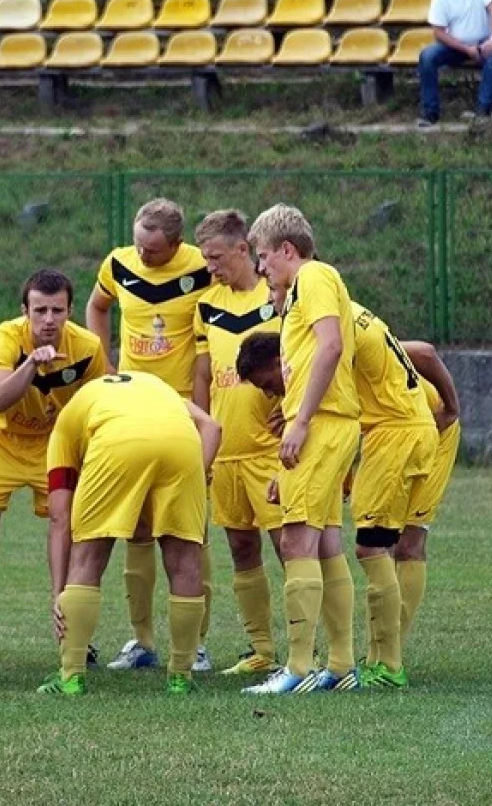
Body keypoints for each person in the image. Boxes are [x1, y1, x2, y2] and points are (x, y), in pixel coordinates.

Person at [237, 204, 361, 696]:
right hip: (325, 424)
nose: (261, 268)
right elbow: (314, 355)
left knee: (297, 541)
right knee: (326, 541)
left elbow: (329, 347)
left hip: (324, 425)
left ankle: (297, 667)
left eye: (264, 257)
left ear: (288, 250)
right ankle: (341, 664)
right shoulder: (300, 293)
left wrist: (302, 420)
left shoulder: (314, 276)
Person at [85, 198, 213, 672]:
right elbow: (96, 307)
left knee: (189, 531)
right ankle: (141, 641)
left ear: (178, 245)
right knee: (135, 526)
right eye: (138, 244)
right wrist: (105, 364)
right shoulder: (117, 263)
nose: (142, 256)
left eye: (153, 251)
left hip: (183, 409)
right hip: (133, 405)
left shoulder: (202, 268)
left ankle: (195, 645)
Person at [37, 371, 221, 696]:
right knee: (185, 562)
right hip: (182, 441)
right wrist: (193, 473)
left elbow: (59, 518)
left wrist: (58, 595)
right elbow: (212, 427)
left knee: (89, 556)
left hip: (117, 442)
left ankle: (70, 676)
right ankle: (181, 676)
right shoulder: (155, 387)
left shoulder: (65, 424)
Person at [0, 269, 106, 670]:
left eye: (57, 310)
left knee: (69, 529)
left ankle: (71, 631)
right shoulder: (7, 337)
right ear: (24, 311)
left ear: (70, 310)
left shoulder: (88, 346)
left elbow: (103, 401)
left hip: (55, 442)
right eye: (39, 310)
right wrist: (32, 364)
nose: (48, 319)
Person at [190, 210, 285, 677]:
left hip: (271, 447)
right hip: (227, 451)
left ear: (243, 250)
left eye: (216, 257)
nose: (210, 267)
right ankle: (262, 649)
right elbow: (204, 374)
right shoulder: (207, 305)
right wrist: (203, 435)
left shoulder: (279, 297)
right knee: (242, 549)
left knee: (293, 546)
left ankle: (314, 647)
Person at [347, 304, 437, 690]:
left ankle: (388, 663)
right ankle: (380, 658)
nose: (264, 273)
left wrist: (451, 405)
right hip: (413, 429)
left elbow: (427, 352)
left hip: (402, 433)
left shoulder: (328, 319)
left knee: (378, 547)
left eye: (265, 259)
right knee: (392, 544)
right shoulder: (351, 315)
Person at [392, 341, 461, 657]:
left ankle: (391, 649)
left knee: (408, 540)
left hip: (434, 429)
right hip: (393, 435)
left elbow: (425, 353)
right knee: (379, 541)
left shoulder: (347, 336)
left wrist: (450, 408)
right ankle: (380, 648)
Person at [419, 0, 492, 127]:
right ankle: (430, 112)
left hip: (484, 40)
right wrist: (466, 49)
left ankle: (483, 110)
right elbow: (438, 31)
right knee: (427, 56)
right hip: (457, 45)